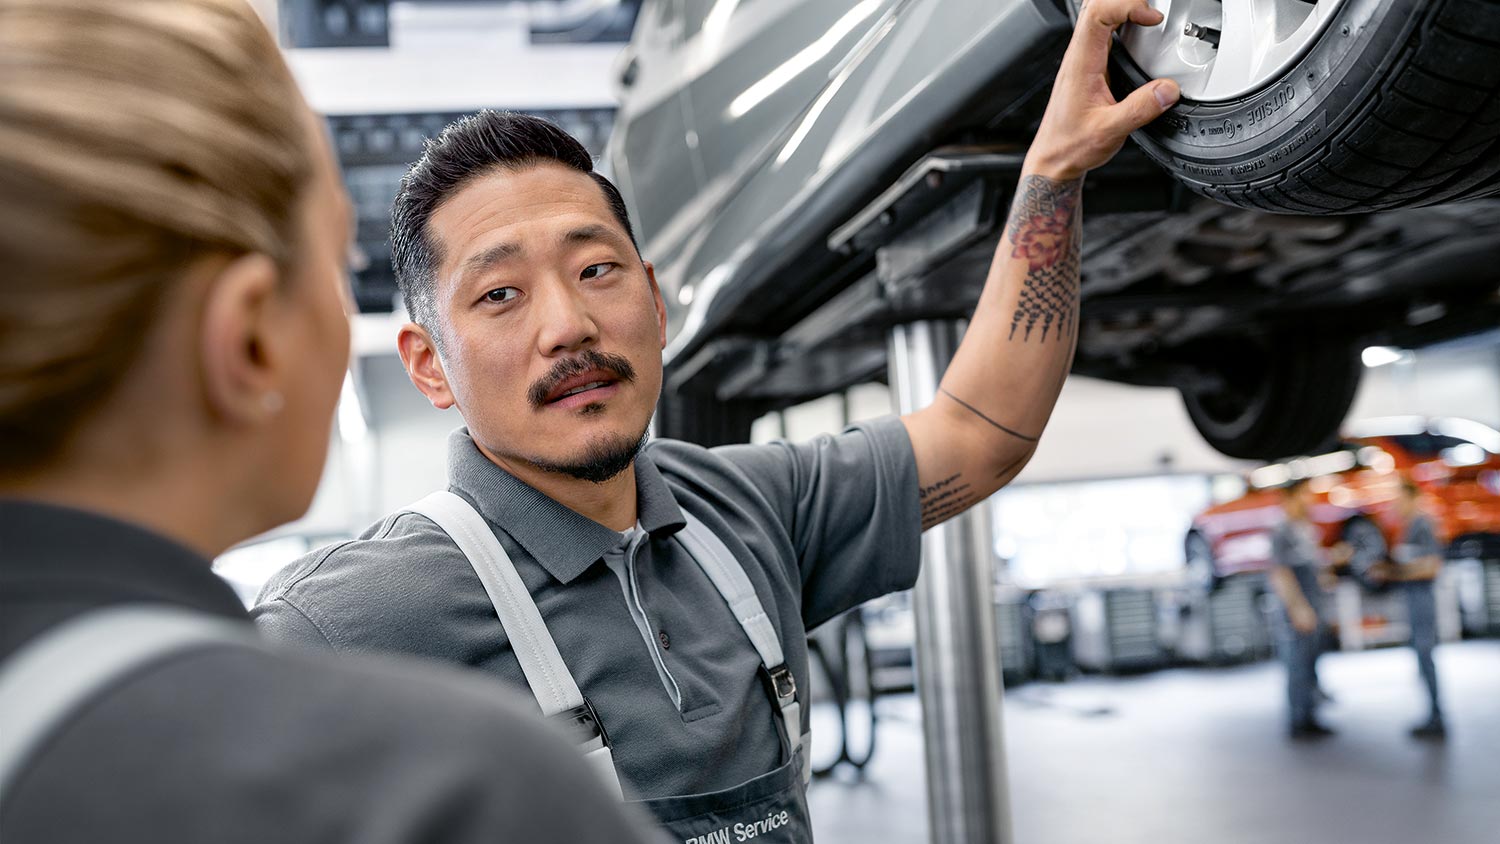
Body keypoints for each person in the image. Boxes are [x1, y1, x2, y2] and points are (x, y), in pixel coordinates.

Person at [253, 1, 1181, 839]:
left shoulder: (746, 510)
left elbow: (980, 435)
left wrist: (1055, 170)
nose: (567, 325)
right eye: (500, 293)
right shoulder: (343, 622)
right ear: (428, 366)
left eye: (597, 270)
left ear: (655, 304)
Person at [0, 2, 665, 842]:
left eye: (597, 270)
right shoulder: (451, 793)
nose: (565, 325)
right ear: (248, 336)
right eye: (342, 263)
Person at [1268, 478, 1346, 739]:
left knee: (1311, 661)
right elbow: (1281, 574)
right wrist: (1298, 608)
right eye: (1304, 495)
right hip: (1297, 610)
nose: (1309, 500)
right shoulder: (1281, 530)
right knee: (1297, 664)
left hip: (1314, 605)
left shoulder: (1305, 529)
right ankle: (1298, 721)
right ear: (1289, 498)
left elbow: (1315, 566)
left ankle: (1311, 715)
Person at [1370, 480, 1447, 738]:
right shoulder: (1407, 528)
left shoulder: (1423, 525)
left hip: (1423, 602)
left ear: (1414, 498)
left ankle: (1436, 717)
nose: (1397, 505)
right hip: (1413, 602)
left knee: (1425, 656)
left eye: (1400, 500)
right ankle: (1431, 714)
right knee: (1420, 657)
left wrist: (1392, 573)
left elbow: (1431, 567)